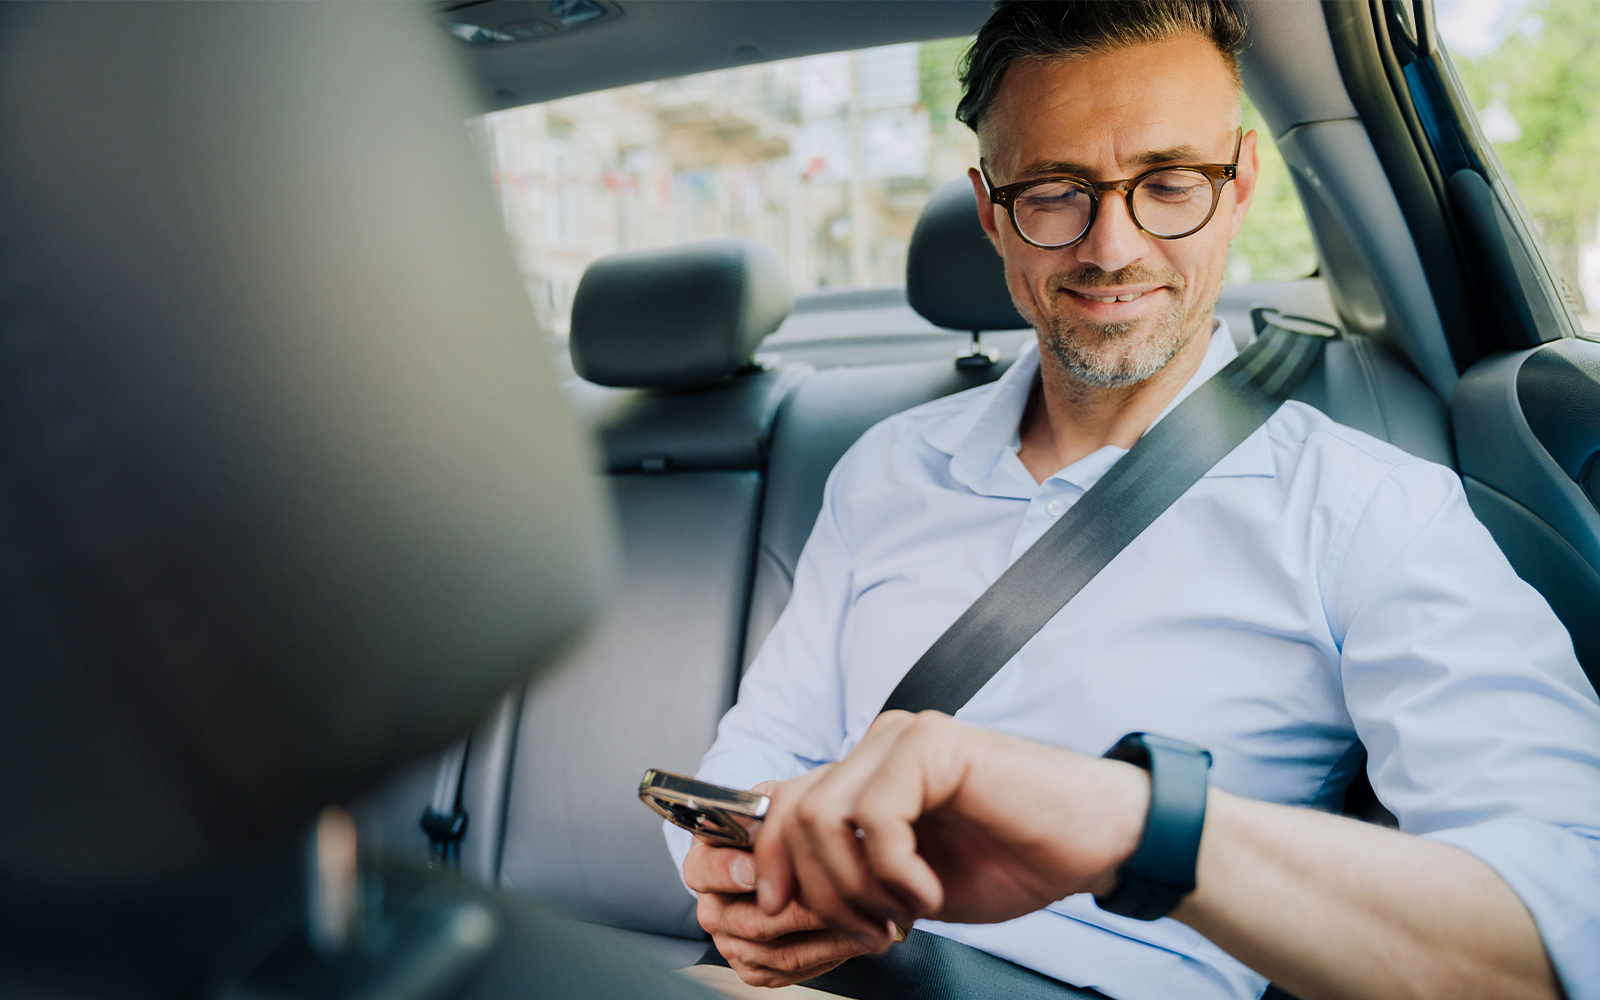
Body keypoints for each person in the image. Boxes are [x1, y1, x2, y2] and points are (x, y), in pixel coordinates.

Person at [666, 3, 1600, 998]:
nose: (1111, 247)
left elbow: (1565, 920)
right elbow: (762, 754)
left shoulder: (1370, 512)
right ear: (991, 211)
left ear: (1237, 184)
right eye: (1056, 194)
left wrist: (1136, 824)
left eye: (1167, 184)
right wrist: (742, 875)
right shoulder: (886, 467)